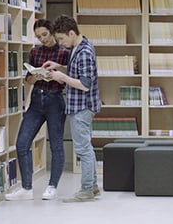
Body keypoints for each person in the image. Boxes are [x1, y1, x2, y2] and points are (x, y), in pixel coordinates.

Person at [5, 19, 69, 201]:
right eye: (39, 36)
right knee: (22, 143)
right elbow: (28, 80)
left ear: (52, 32)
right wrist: (34, 76)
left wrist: (56, 75)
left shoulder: (64, 52)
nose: (42, 39)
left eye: (45, 35)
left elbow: (68, 78)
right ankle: (26, 188)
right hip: (36, 100)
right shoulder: (35, 52)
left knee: (56, 145)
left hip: (55, 100)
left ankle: (52, 186)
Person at [43, 15, 101, 202]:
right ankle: (92, 187)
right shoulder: (79, 46)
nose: (60, 43)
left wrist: (62, 78)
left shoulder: (84, 52)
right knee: (86, 147)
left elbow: (85, 84)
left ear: (71, 33)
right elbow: (76, 70)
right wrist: (59, 66)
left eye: (61, 39)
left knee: (83, 149)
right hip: (80, 106)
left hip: (82, 107)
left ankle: (86, 190)